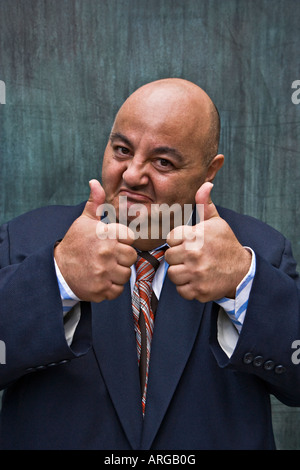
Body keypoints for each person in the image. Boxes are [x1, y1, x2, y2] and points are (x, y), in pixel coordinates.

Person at [0, 78, 299, 450]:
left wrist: (243, 283)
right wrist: (57, 278)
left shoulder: (262, 251)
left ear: (209, 171)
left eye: (162, 161)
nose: (131, 175)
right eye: (122, 150)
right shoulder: (25, 240)